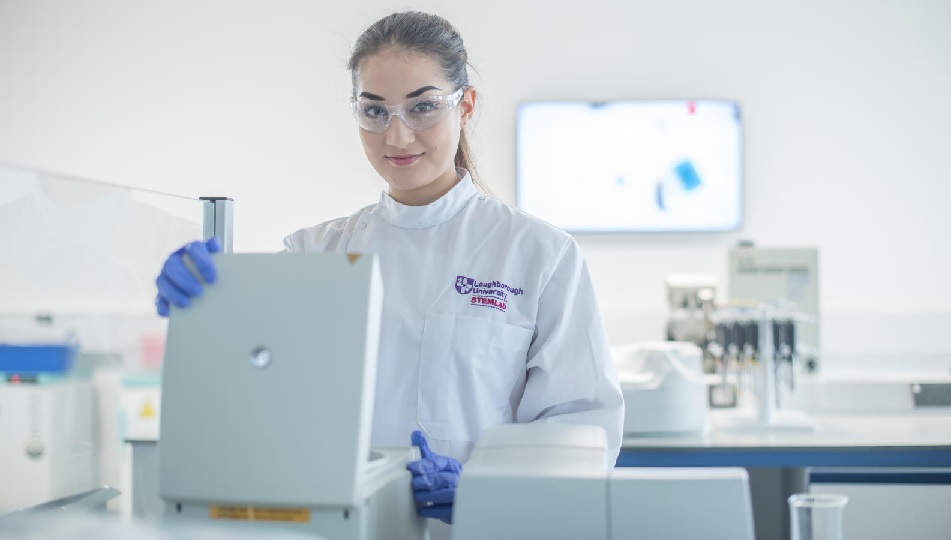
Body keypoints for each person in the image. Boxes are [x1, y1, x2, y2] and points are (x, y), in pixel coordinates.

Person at [155, 10, 624, 532]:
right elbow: (243, 389)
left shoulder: (539, 253)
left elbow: (582, 429)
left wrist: (489, 489)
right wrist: (203, 305)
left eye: (423, 107)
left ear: (465, 106)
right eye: (374, 111)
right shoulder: (317, 254)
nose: (397, 136)